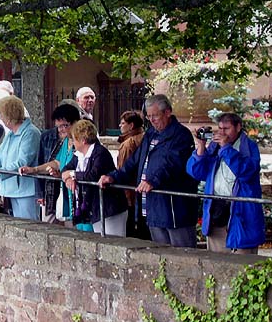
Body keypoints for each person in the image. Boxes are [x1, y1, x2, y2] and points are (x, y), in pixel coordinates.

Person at [99, 94, 198, 248]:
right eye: (148, 116)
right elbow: (134, 162)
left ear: (167, 112)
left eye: (155, 116)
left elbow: (173, 164)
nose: (151, 120)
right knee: (160, 255)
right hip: (153, 206)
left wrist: (153, 180)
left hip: (174, 208)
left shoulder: (181, 135)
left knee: (183, 254)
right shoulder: (150, 134)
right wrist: (113, 177)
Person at [186, 112, 265, 254]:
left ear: (238, 127)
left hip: (241, 214)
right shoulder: (214, 147)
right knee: (216, 261)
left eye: (227, 129)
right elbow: (196, 172)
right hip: (217, 211)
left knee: (243, 264)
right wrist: (201, 146)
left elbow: (246, 172)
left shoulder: (249, 147)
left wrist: (226, 149)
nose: (222, 133)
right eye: (220, 128)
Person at [61, 120, 128, 236]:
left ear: (83, 140)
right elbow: (65, 169)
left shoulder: (100, 153)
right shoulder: (79, 155)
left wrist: (72, 174)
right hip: (95, 208)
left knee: (113, 242)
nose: (73, 143)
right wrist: (68, 179)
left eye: (74, 139)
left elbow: (92, 176)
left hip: (110, 209)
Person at [21, 104, 80, 224]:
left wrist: (67, 175)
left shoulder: (82, 142)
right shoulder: (66, 142)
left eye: (64, 125)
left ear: (76, 123)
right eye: (58, 126)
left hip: (78, 197)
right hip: (64, 197)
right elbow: (57, 162)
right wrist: (34, 170)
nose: (61, 130)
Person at [117, 110, 148, 238]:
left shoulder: (129, 143)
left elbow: (123, 168)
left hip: (130, 193)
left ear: (131, 126)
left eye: (123, 123)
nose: (120, 125)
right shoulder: (145, 137)